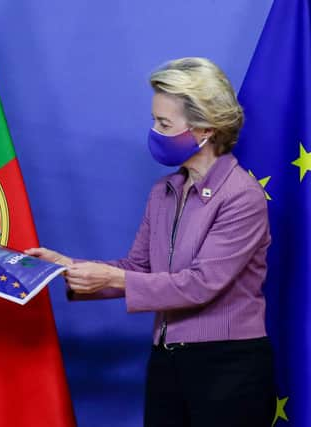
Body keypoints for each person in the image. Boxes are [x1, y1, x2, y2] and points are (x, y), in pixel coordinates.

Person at [27, 57, 276, 427]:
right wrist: (65, 267)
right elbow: (139, 268)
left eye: (164, 123)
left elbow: (201, 284)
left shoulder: (242, 196)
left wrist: (111, 279)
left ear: (205, 128)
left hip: (228, 367)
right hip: (166, 362)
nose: (154, 132)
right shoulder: (165, 190)